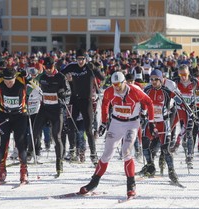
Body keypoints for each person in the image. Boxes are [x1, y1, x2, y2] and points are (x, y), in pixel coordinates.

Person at [79, 71, 154, 199]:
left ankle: (131, 185)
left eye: (118, 84)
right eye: (114, 85)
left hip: (132, 123)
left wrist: (151, 121)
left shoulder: (135, 91)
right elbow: (105, 104)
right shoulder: (110, 91)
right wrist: (103, 122)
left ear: (124, 82)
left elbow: (149, 102)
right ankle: (94, 182)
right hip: (116, 122)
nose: (116, 87)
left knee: (126, 151)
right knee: (107, 154)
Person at [138, 69, 191, 183]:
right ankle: (150, 165)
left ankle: (172, 172)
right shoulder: (147, 89)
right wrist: (142, 113)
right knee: (145, 142)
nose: (153, 82)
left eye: (156, 79)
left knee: (165, 149)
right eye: (151, 79)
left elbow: (180, 100)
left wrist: (188, 110)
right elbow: (141, 102)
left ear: (161, 80)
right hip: (151, 122)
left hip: (163, 122)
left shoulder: (167, 91)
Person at [61, 49, 104, 166]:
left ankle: (93, 155)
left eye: (82, 59)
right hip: (74, 100)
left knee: (89, 129)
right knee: (70, 125)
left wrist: (95, 68)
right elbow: (60, 75)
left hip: (87, 101)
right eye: (79, 59)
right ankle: (72, 151)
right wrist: (65, 83)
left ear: (86, 59)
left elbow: (102, 77)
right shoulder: (72, 67)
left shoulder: (89, 67)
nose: (80, 61)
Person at [29, 57, 71, 177]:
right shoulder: (42, 77)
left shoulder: (61, 77)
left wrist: (63, 93)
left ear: (54, 66)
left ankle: (59, 163)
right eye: (46, 68)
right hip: (44, 108)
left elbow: (69, 91)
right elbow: (35, 88)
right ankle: (29, 152)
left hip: (57, 110)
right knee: (35, 130)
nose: (48, 70)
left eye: (50, 68)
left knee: (56, 136)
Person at [0, 67, 30, 184]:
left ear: (15, 78)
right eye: (6, 81)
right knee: (4, 142)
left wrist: (26, 75)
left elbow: (36, 80)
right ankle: (2, 171)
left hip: (20, 116)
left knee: (20, 142)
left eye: (11, 81)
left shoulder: (21, 80)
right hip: (5, 115)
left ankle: (24, 171)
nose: (8, 84)